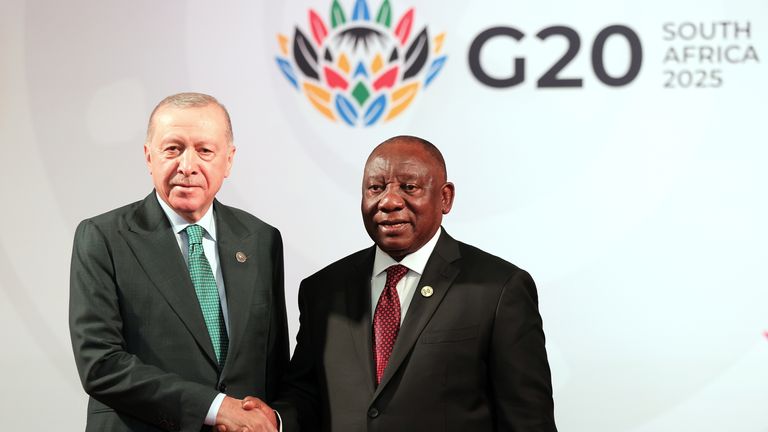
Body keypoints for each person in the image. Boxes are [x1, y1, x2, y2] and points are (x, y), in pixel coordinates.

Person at [249, 135, 557, 431]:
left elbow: (528, 420)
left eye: (409, 187)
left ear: (445, 197)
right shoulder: (324, 289)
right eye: (376, 188)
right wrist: (274, 421)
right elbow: (307, 394)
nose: (389, 201)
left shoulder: (499, 289)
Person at [69, 92, 287, 432]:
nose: (187, 166)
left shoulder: (261, 239)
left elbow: (272, 366)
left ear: (228, 160)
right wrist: (215, 408)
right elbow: (101, 364)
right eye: (173, 149)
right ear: (148, 156)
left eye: (204, 150)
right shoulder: (104, 237)